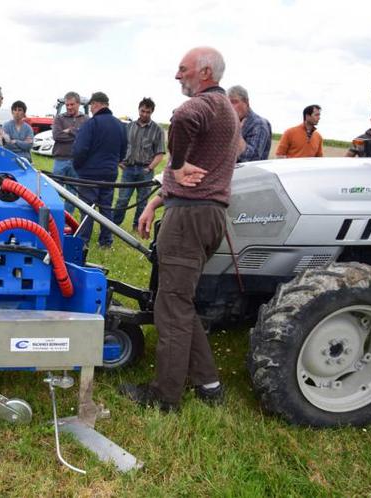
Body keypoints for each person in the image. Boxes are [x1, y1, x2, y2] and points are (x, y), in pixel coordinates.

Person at [119, 47, 241, 412]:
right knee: (180, 303)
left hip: (190, 218)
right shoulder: (225, 110)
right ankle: (209, 384)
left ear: (204, 72)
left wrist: (177, 161)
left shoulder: (206, 106)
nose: (177, 76)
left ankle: (164, 396)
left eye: (182, 69)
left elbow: (184, 116)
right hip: (203, 214)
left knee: (169, 306)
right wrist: (158, 199)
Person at [72, 91, 127, 248]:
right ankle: (106, 242)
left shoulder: (91, 124)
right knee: (106, 208)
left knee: (87, 209)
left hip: (89, 174)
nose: (90, 109)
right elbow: (123, 150)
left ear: (96, 104)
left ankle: (83, 242)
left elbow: (79, 149)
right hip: (109, 173)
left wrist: (78, 166)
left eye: (90, 105)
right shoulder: (120, 125)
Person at [112, 97, 165, 231]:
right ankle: (113, 226)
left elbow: (160, 153)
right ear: (138, 110)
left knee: (142, 202)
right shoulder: (128, 127)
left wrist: (149, 168)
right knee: (122, 200)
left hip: (145, 170)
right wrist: (119, 161)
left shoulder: (157, 130)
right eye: (142, 111)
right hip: (128, 169)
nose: (144, 114)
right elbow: (118, 145)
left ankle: (137, 226)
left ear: (152, 112)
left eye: (148, 112)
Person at [52, 91, 89, 213]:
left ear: (78, 104)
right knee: (54, 191)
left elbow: (87, 138)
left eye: (72, 104)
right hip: (60, 160)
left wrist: (70, 130)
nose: (69, 107)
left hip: (77, 162)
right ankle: (53, 219)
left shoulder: (86, 119)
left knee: (72, 194)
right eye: (67, 105)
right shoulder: (59, 118)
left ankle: (67, 220)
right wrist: (78, 133)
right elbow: (57, 136)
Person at [227, 85, 272, 162]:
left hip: (249, 173)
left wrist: (237, 133)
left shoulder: (258, 124)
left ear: (246, 102)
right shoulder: (232, 122)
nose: (231, 106)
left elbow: (251, 158)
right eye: (228, 102)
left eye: (234, 102)